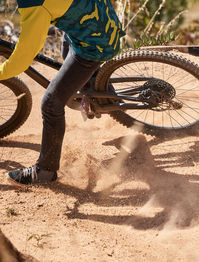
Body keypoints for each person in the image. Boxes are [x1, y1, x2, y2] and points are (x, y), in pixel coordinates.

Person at [1, 0, 125, 186]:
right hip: (104, 20)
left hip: (95, 44)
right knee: (67, 47)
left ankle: (45, 171)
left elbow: (22, 59)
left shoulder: (35, 4)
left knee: (51, 103)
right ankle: (96, 86)